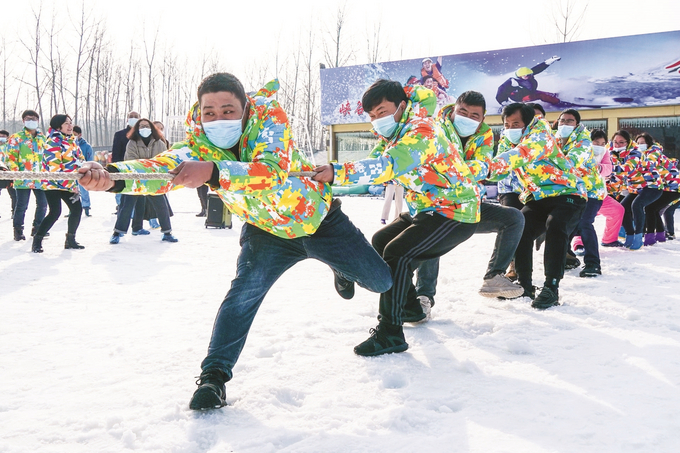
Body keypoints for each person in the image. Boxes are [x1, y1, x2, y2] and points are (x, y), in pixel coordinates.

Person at [78, 73, 392, 411]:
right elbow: (163, 167)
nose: (218, 119)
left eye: (228, 110)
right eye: (209, 112)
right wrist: (113, 178)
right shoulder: (199, 141)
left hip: (319, 220)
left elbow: (270, 170)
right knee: (242, 296)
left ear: (245, 108)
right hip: (265, 231)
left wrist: (213, 172)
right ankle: (213, 377)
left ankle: (339, 265)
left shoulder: (270, 121)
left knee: (381, 281)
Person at [313, 79, 480, 356]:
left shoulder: (421, 130)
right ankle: (411, 308)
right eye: (372, 116)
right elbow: (370, 164)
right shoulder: (393, 134)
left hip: (456, 210)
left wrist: (337, 171)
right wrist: (325, 176)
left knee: (398, 253)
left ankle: (390, 332)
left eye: (382, 111)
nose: (377, 120)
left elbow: (386, 166)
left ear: (401, 106)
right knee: (381, 240)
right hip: (427, 208)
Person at [416, 91, 525, 300]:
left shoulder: (484, 135)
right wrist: (464, 171)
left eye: (474, 115)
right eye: (462, 112)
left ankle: (494, 277)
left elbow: (483, 167)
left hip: (468, 207)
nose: (467, 118)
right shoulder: (434, 130)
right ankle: (423, 298)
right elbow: (430, 168)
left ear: (482, 119)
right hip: (435, 205)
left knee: (514, 218)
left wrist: (451, 170)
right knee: (429, 238)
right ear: (454, 110)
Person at [486, 103, 587, 308]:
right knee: (520, 228)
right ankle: (524, 285)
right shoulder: (507, 140)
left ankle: (551, 287)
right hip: (537, 196)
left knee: (555, 225)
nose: (511, 128)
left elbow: (519, 155)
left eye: (516, 123)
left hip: (568, 192)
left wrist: (484, 169)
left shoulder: (541, 136)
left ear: (528, 123)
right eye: (507, 124)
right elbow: (500, 168)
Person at [554, 109, 605, 277]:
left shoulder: (583, 141)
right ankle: (568, 257)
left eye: (570, 121)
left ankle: (593, 263)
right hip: (572, 191)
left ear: (576, 124)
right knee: (564, 223)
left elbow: (570, 162)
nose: (565, 123)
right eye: (562, 120)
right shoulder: (556, 140)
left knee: (584, 223)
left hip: (590, 191)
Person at [109, 118, 177, 244]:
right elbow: (131, 161)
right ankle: (117, 233)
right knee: (126, 206)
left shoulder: (159, 143)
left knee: (162, 205)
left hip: (154, 180)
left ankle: (167, 232)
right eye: (141, 126)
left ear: (151, 128)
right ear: (137, 129)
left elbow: (161, 161)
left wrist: (150, 169)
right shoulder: (132, 143)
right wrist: (146, 166)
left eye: (146, 126)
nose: (144, 128)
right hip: (135, 180)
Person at [31, 115, 86, 252]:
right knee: (55, 212)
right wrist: (71, 185)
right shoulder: (53, 142)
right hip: (52, 183)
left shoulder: (72, 140)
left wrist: (82, 171)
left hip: (68, 183)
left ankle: (70, 239)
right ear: (58, 126)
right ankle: (37, 240)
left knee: (77, 209)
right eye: (66, 123)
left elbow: (80, 159)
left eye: (70, 123)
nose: (70, 126)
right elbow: (55, 168)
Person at [571, 130, 625, 250]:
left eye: (602, 143)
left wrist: (598, 167)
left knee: (617, 210)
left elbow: (608, 169)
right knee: (584, 219)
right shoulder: (580, 151)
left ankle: (609, 239)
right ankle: (579, 243)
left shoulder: (604, 153)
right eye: (596, 142)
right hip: (582, 193)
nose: (599, 146)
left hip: (599, 194)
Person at [4, 110, 48, 240]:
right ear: (23, 121)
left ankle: (38, 228)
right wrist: (17, 173)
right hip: (22, 178)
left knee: (43, 204)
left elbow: (47, 157)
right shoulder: (16, 138)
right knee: (22, 205)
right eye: (29, 118)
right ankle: (18, 230)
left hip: (40, 178)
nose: (32, 121)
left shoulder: (42, 138)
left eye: (34, 118)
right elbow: (11, 157)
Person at [618, 131, 664, 250]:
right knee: (622, 208)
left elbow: (627, 168)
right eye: (616, 142)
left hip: (653, 186)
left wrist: (605, 168)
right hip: (638, 187)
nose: (618, 144)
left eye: (622, 142)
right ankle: (630, 235)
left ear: (628, 143)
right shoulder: (616, 153)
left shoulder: (636, 153)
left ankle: (639, 237)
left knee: (637, 205)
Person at [639, 137, 679, 245]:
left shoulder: (653, 152)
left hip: (672, 186)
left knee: (650, 207)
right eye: (638, 143)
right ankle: (660, 235)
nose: (639, 145)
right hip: (668, 186)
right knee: (654, 208)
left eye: (642, 143)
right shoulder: (649, 153)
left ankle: (650, 237)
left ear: (648, 143)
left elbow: (648, 164)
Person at [495, 56, 562, 107]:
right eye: (525, 75)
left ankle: (557, 96)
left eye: (529, 75)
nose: (528, 77)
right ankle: (558, 103)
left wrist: (551, 60)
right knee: (541, 95)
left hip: (529, 91)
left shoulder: (528, 75)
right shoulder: (511, 82)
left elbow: (539, 68)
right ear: (520, 75)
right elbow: (501, 90)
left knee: (550, 95)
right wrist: (504, 102)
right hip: (520, 97)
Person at [110, 111, 141, 209]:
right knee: (122, 191)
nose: (133, 118)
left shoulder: (142, 134)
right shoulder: (119, 134)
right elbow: (116, 153)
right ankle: (120, 206)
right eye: (131, 116)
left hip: (139, 168)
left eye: (135, 116)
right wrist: (115, 168)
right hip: (123, 167)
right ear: (127, 119)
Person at [73, 125, 93, 217]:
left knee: (83, 189)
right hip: (72, 171)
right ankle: (72, 208)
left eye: (75, 134)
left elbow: (90, 159)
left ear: (79, 135)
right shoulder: (69, 144)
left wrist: (87, 168)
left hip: (82, 171)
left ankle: (86, 206)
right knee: (73, 190)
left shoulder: (86, 146)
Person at [0, 129, 17, 218]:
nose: (1, 138)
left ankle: (14, 211)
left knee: (13, 194)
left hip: (9, 172)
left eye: (3, 137)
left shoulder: (9, 147)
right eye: (0, 136)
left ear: (7, 138)